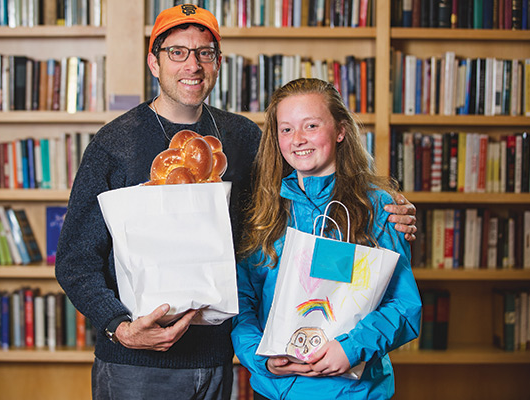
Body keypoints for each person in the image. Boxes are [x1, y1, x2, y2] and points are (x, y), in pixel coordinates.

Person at [55, 5, 417, 400]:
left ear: (217, 63)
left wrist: (386, 204)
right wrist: (119, 327)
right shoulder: (114, 144)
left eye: (204, 53)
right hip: (134, 364)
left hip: (218, 359)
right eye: (177, 52)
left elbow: (310, 191)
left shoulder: (243, 138)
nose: (192, 64)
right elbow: (75, 261)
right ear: (153, 63)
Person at [231, 78, 422, 400]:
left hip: (356, 391)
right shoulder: (264, 208)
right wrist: (260, 356)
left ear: (340, 130)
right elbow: (242, 300)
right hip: (275, 388)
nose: (298, 140)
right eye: (286, 129)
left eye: (311, 125)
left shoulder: (378, 207)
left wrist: (351, 349)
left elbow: (404, 305)